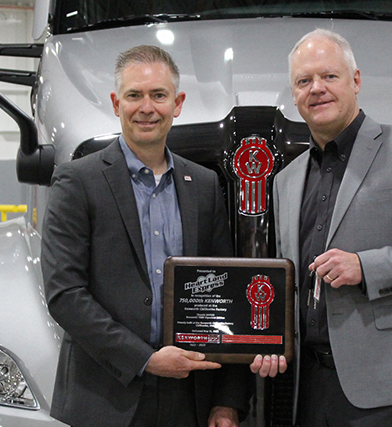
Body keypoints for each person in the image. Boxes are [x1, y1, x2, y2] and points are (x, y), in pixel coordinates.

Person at [251, 29, 392, 426]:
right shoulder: (285, 180)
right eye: (304, 81)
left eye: (329, 76)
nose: (316, 89)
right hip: (305, 384)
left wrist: (367, 266)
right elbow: (287, 281)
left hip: (386, 381)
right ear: (293, 96)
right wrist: (272, 339)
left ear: (355, 81)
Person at [42, 45, 249, 427]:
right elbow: (64, 294)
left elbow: (228, 294)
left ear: (178, 102)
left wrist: (227, 400)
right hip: (104, 398)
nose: (146, 107)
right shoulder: (77, 181)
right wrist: (145, 359)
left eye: (158, 95)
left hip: (189, 396)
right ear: (116, 102)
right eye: (134, 95)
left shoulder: (203, 185)